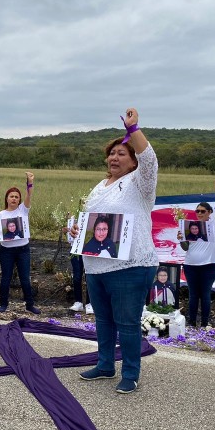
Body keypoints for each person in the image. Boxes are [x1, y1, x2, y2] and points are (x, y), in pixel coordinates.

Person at [71, 107, 159, 394]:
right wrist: (77, 231)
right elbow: (92, 222)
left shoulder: (139, 183)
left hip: (130, 266)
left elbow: (150, 161)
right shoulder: (100, 185)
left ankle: (131, 373)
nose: (114, 158)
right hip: (97, 265)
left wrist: (133, 130)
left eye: (122, 154)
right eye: (112, 154)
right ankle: (105, 364)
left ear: (133, 162)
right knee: (104, 319)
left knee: (127, 322)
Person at [177, 188, 215, 329]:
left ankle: (204, 323)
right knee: (193, 295)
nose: (199, 213)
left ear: (209, 212)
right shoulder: (190, 226)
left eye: (202, 211)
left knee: (205, 295)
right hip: (190, 265)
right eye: (197, 211)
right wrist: (181, 239)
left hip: (208, 266)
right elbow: (186, 248)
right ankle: (192, 322)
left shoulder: (214, 224)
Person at [0, 173, 40, 315]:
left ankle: (30, 304)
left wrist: (30, 182)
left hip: (23, 250)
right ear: (7, 199)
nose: (14, 198)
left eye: (16, 196)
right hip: (6, 250)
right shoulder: (0, 215)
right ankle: (3, 304)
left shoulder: (23, 209)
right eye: (11, 196)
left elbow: (29, 194)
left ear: (19, 199)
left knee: (25, 278)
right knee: (6, 278)